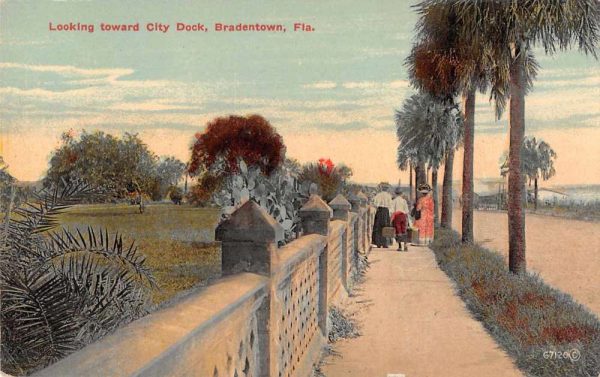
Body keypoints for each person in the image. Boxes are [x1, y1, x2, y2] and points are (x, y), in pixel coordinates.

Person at [372, 183, 393, 248]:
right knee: (385, 226)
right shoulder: (389, 196)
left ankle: (378, 243)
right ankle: (385, 243)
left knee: (378, 227)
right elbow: (390, 205)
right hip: (386, 211)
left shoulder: (378, 195)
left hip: (380, 211)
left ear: (381, 188)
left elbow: (375, 204)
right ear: (387, 189)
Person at [391, 187, 411, 251]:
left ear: (396, 193)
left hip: (397, 217)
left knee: (398, 231)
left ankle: (400, 246)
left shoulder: (394, 201)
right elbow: (407, 211)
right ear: (401, 193)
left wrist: (391, 218)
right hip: (403, 216)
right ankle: (405, 246)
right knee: (404, 230)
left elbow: (391, 210)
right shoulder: (404, 201)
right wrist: (407, 218)